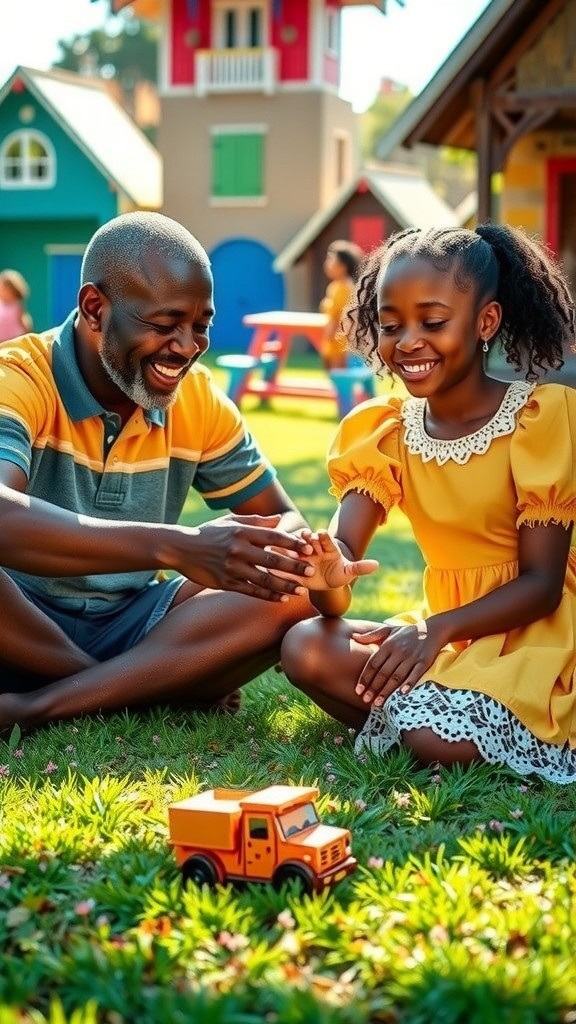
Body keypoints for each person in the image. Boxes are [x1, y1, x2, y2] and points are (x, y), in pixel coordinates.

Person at [0, 212, 377, 733]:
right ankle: (122, 685)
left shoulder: (196, 398)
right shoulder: (20, 376)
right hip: (17, 620)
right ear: (94, 309)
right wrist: (178, 546)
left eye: (201, 326)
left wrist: (298, 556)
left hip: (135, 622)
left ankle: (41, 704)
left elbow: (284, 523)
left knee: (290, 592)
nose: (187, 347)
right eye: (163, 325)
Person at [280, 223, 576, 783]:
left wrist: (435, 630)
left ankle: (434, 727)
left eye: (432, 322)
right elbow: (343, 563)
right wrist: (327, 573)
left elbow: (542, 584)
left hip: (540, 637)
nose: (408, 341)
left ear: (485, 322)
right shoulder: (385, 430)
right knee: (305, 647)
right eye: (391, 326)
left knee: (432, 736)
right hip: (443, 635)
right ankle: (434, 720)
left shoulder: (539, 419)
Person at [319, 239, 363, 370]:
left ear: (343, 266)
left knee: (339, 376)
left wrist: (329, 336)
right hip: (339, 341)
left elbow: (339, 316)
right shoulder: (338, 285)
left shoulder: (342, 287)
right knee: (338, 376)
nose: (327, 264)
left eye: (331, 260)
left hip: (339, 342)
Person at [0, 268, 32, 342]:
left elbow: (25, 324)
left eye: (4, 289)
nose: (1, 291)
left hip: (14, 341)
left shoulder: (17, 305)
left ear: (12, 290)